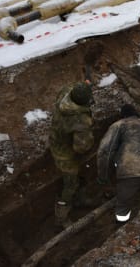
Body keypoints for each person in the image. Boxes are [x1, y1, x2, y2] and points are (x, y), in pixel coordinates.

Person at [96, 104, 140, 223]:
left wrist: (104, 177)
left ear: (122, 115)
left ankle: (121, 223)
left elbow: (105, 151)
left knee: (123, 204)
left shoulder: (119, 125)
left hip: (130, 171)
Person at [49, 81, 95, 228]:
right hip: (64, 154)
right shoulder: (79, 121)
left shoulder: (66, 91)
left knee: (76, 178)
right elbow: (82, 147)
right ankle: (61, 216)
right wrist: (88, 136)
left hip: (56, 137)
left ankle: (79, 198)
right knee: (70, 184)